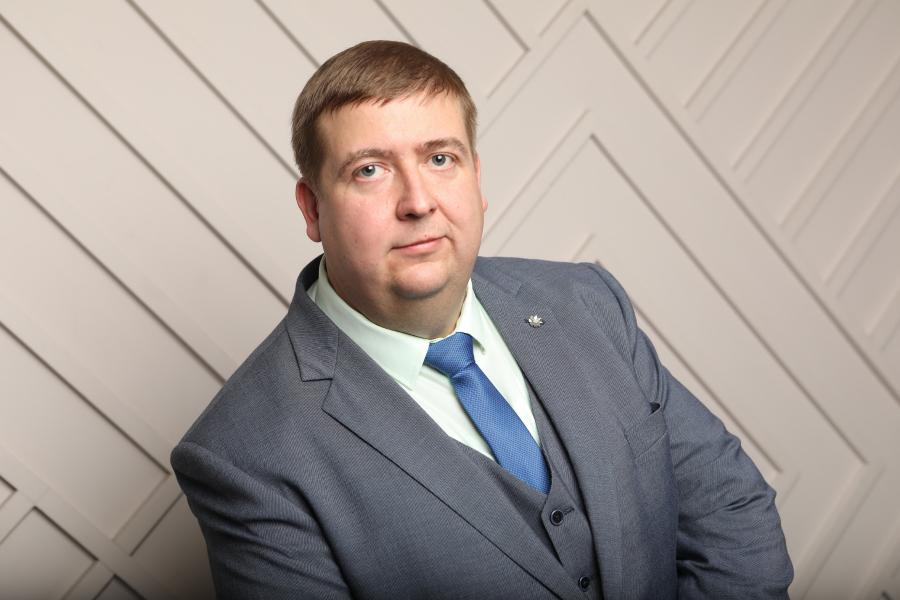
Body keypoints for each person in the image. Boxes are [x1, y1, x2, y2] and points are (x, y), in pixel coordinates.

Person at [171, 40, 793, 599]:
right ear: (312, 210)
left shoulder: (586, 301)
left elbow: (730, 511)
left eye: (441, 159)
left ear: (477, 177)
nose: (418, 202)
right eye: (370, 170)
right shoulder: (243, 455)